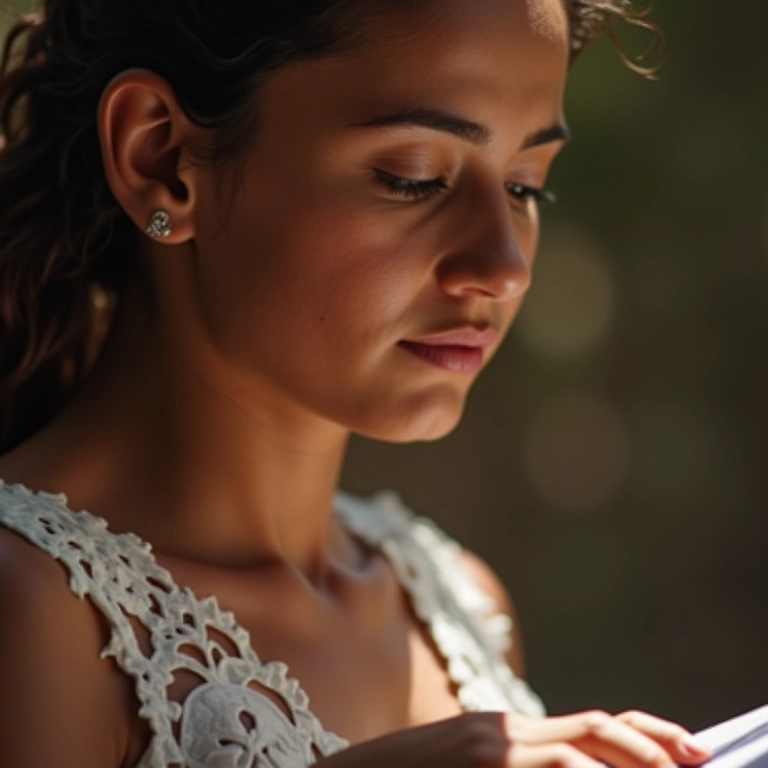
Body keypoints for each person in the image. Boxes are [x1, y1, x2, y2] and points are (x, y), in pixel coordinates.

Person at [0, 1, 711, 766]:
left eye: (525, 187)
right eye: (415, 178)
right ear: (162, 158)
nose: (503, 268)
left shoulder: (456, 601)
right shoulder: (28, 609)